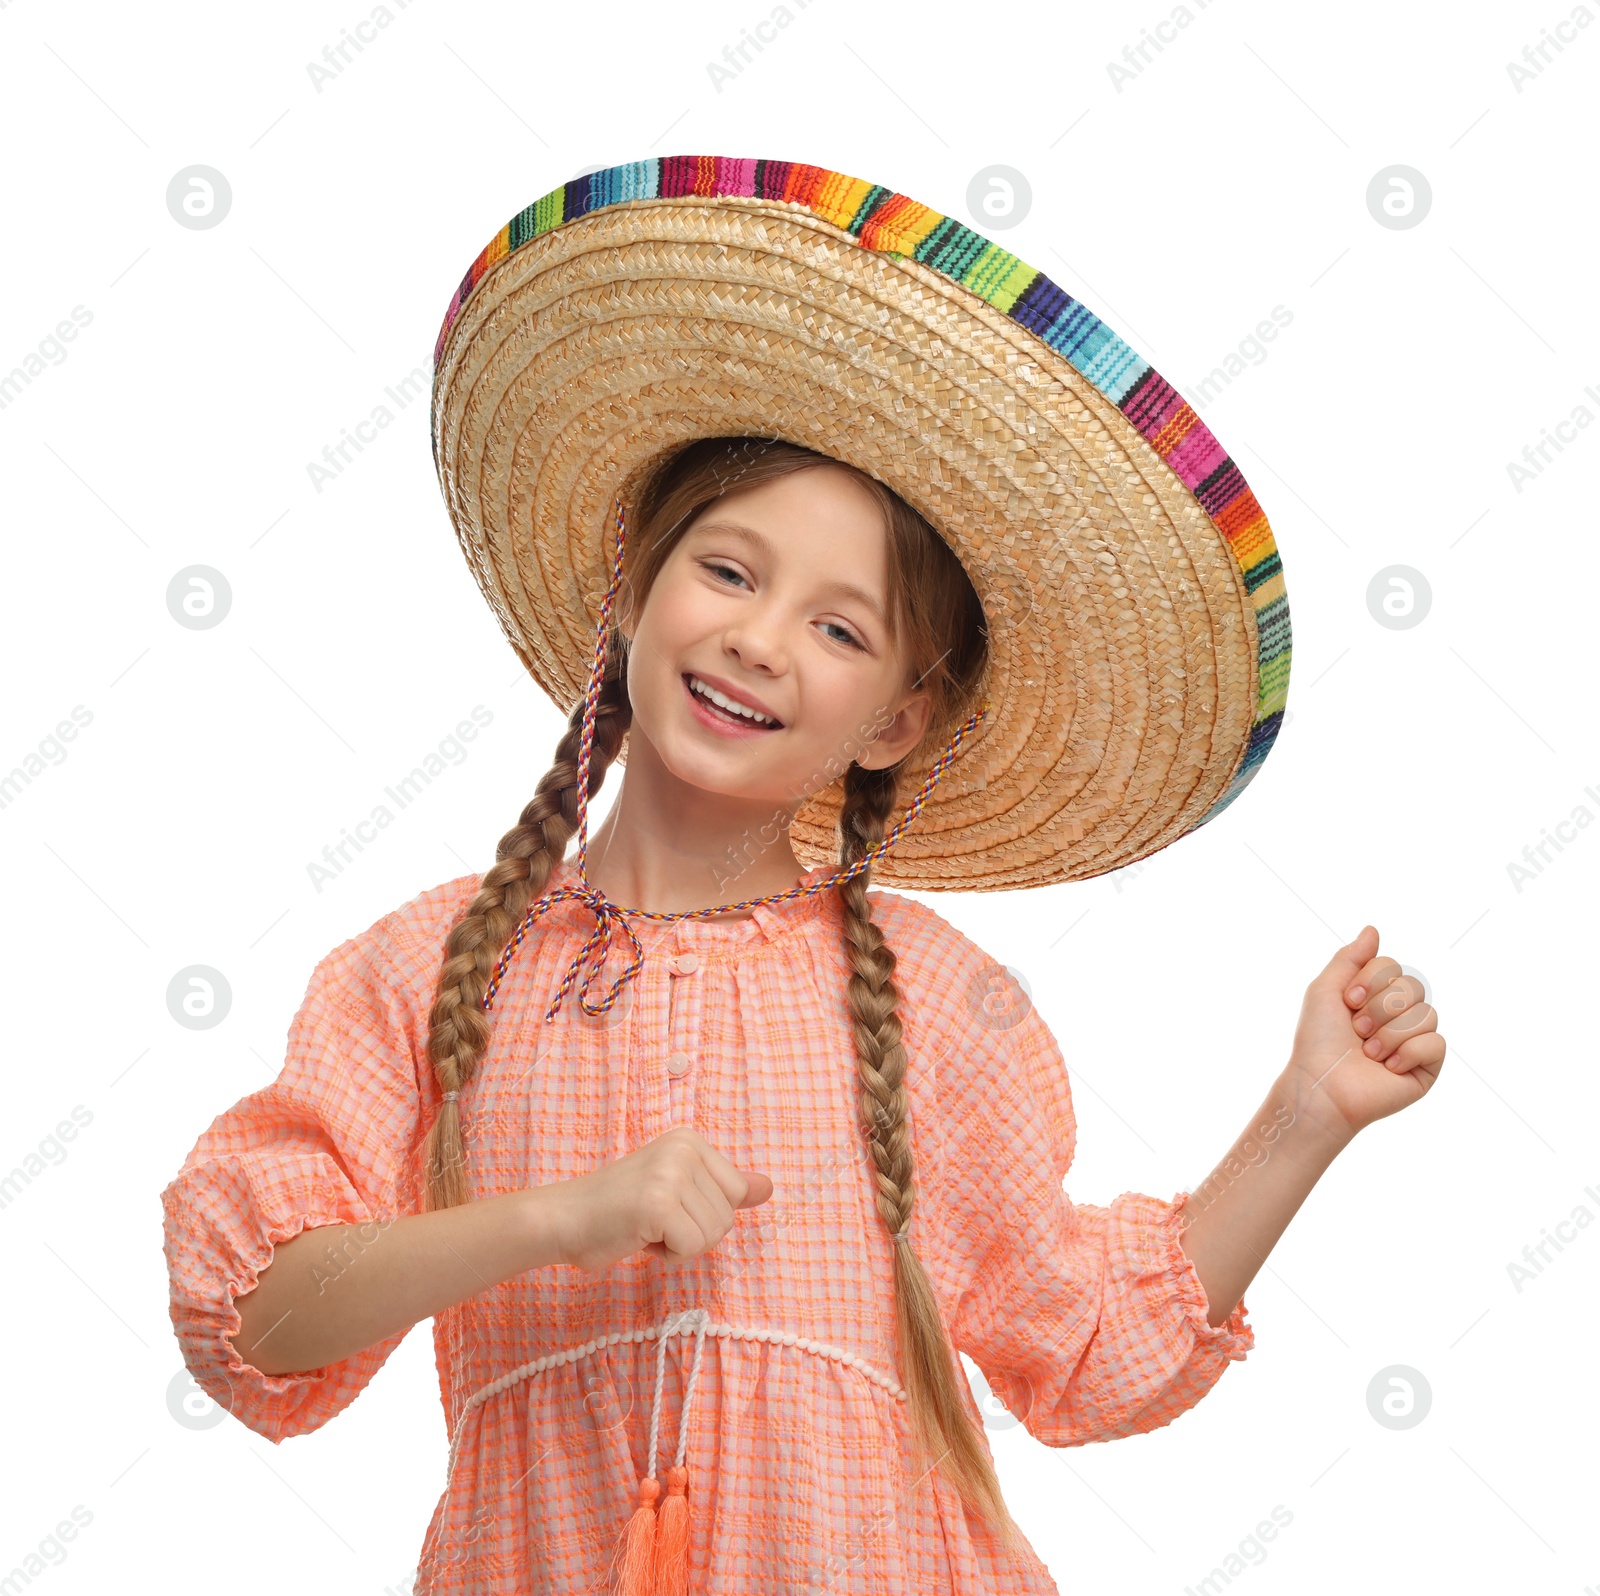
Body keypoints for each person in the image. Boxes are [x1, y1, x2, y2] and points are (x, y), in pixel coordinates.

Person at [161, 156, 1446, 1596]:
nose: (765, 640)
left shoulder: (932, 998)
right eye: (728, 571)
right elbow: (257, 1318)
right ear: (632, 593)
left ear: (898, 717)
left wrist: (1309, 1113)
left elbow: (1086, 1351)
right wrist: (565, 1218)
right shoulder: (423, 970)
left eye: (843, 631)